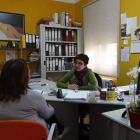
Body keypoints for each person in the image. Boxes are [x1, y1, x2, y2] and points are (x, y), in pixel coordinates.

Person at [0, 59, 68, 139]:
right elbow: (47, 115)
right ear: (24, 77)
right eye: (28, 72)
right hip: (36, 136)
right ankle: (60, 130)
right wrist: (51, 108)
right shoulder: (34, 96)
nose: (30, 75)